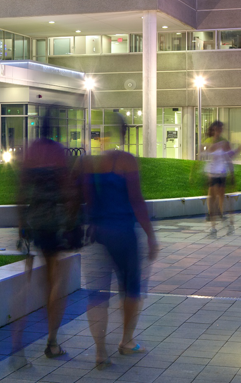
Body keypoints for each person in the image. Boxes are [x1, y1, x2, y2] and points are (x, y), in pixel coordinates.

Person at [83, 122, 158, 368]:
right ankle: (126, 341)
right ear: (124, 134)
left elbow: (84, 198)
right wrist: (150, 234)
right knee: (131, 288)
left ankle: (100, 351)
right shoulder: (126, 161)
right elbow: (136, 201)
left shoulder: (89, 163)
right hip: (123, 234)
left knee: (97, 293)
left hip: (95, 235)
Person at [12, 131, 76, 361]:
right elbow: (69, 190)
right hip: (53, 222)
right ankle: (52, 341)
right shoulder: (58, 151)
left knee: (31, 278)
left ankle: (17, 341)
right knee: (56, 278)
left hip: (34, 221)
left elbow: (21, 192)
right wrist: (71, 221)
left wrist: (21, 223)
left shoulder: (32, 151)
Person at [203, 121, 235, 237]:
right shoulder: (209, 141)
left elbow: (229, 158)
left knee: (220, 197)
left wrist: (232, 173)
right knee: (211, 197)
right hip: (212, 173)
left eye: (220, 129)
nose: (218, 131)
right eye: (216, 129)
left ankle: (222, 219)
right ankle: (214, 226)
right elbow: (204, 156)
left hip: (221, 173)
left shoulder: (224, 143)